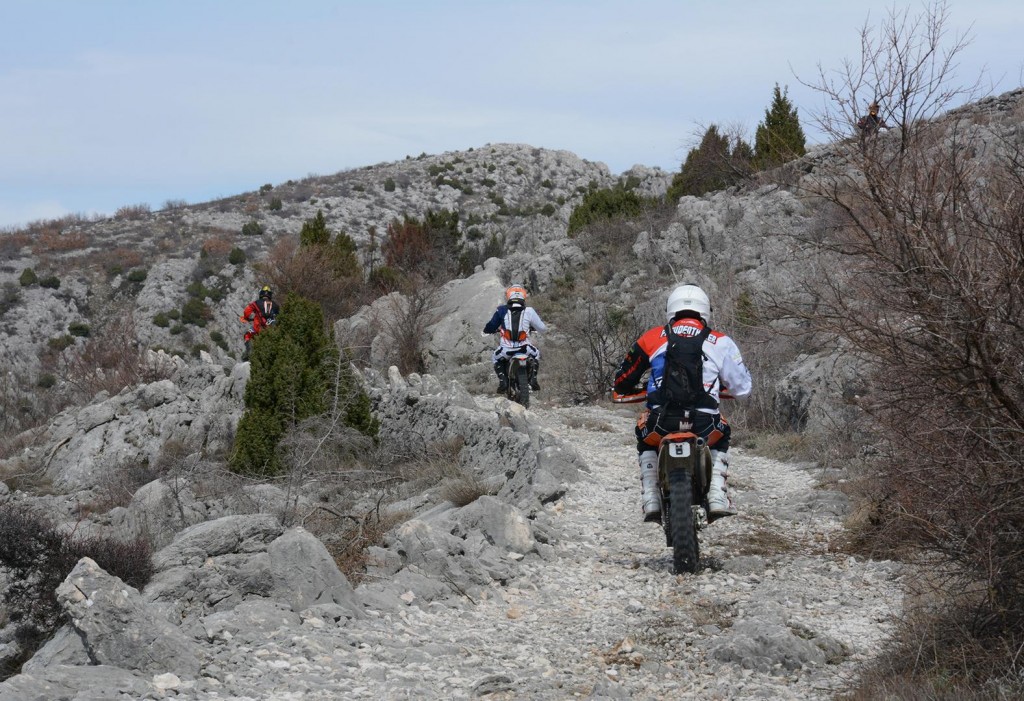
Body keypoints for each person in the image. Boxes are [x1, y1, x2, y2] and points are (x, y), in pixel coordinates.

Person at [613, 284, 752, 522]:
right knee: (724, 430)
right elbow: (743, 388)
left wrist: (639, 389)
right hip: (705, 425)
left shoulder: (652, 337)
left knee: (643, 434)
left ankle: (651, 498)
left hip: (660, 423)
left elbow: (622, 380)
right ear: (705, 311)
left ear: (671, 310)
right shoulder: (720, 341)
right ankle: (717, 495)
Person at [483, 285, 547, 393]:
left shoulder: (501, 310)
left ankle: (503, 382)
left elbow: (491, 326)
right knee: (536, 354)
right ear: (524, 296)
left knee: (495, 357)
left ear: (508, 296)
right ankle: (533, 380)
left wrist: (487, 330)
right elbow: (543, 329)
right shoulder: (529, 311)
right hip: (525, 349)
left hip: (506, 351)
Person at [239, 285, 280, 359]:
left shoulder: (256, 303)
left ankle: (249, 353)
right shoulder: (276, 305)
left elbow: (246, 311)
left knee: (247, 335)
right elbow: (280, 316)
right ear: (270, 295)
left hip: (258, 328)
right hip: (272, 329)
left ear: (261, 294)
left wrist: (246, 318)